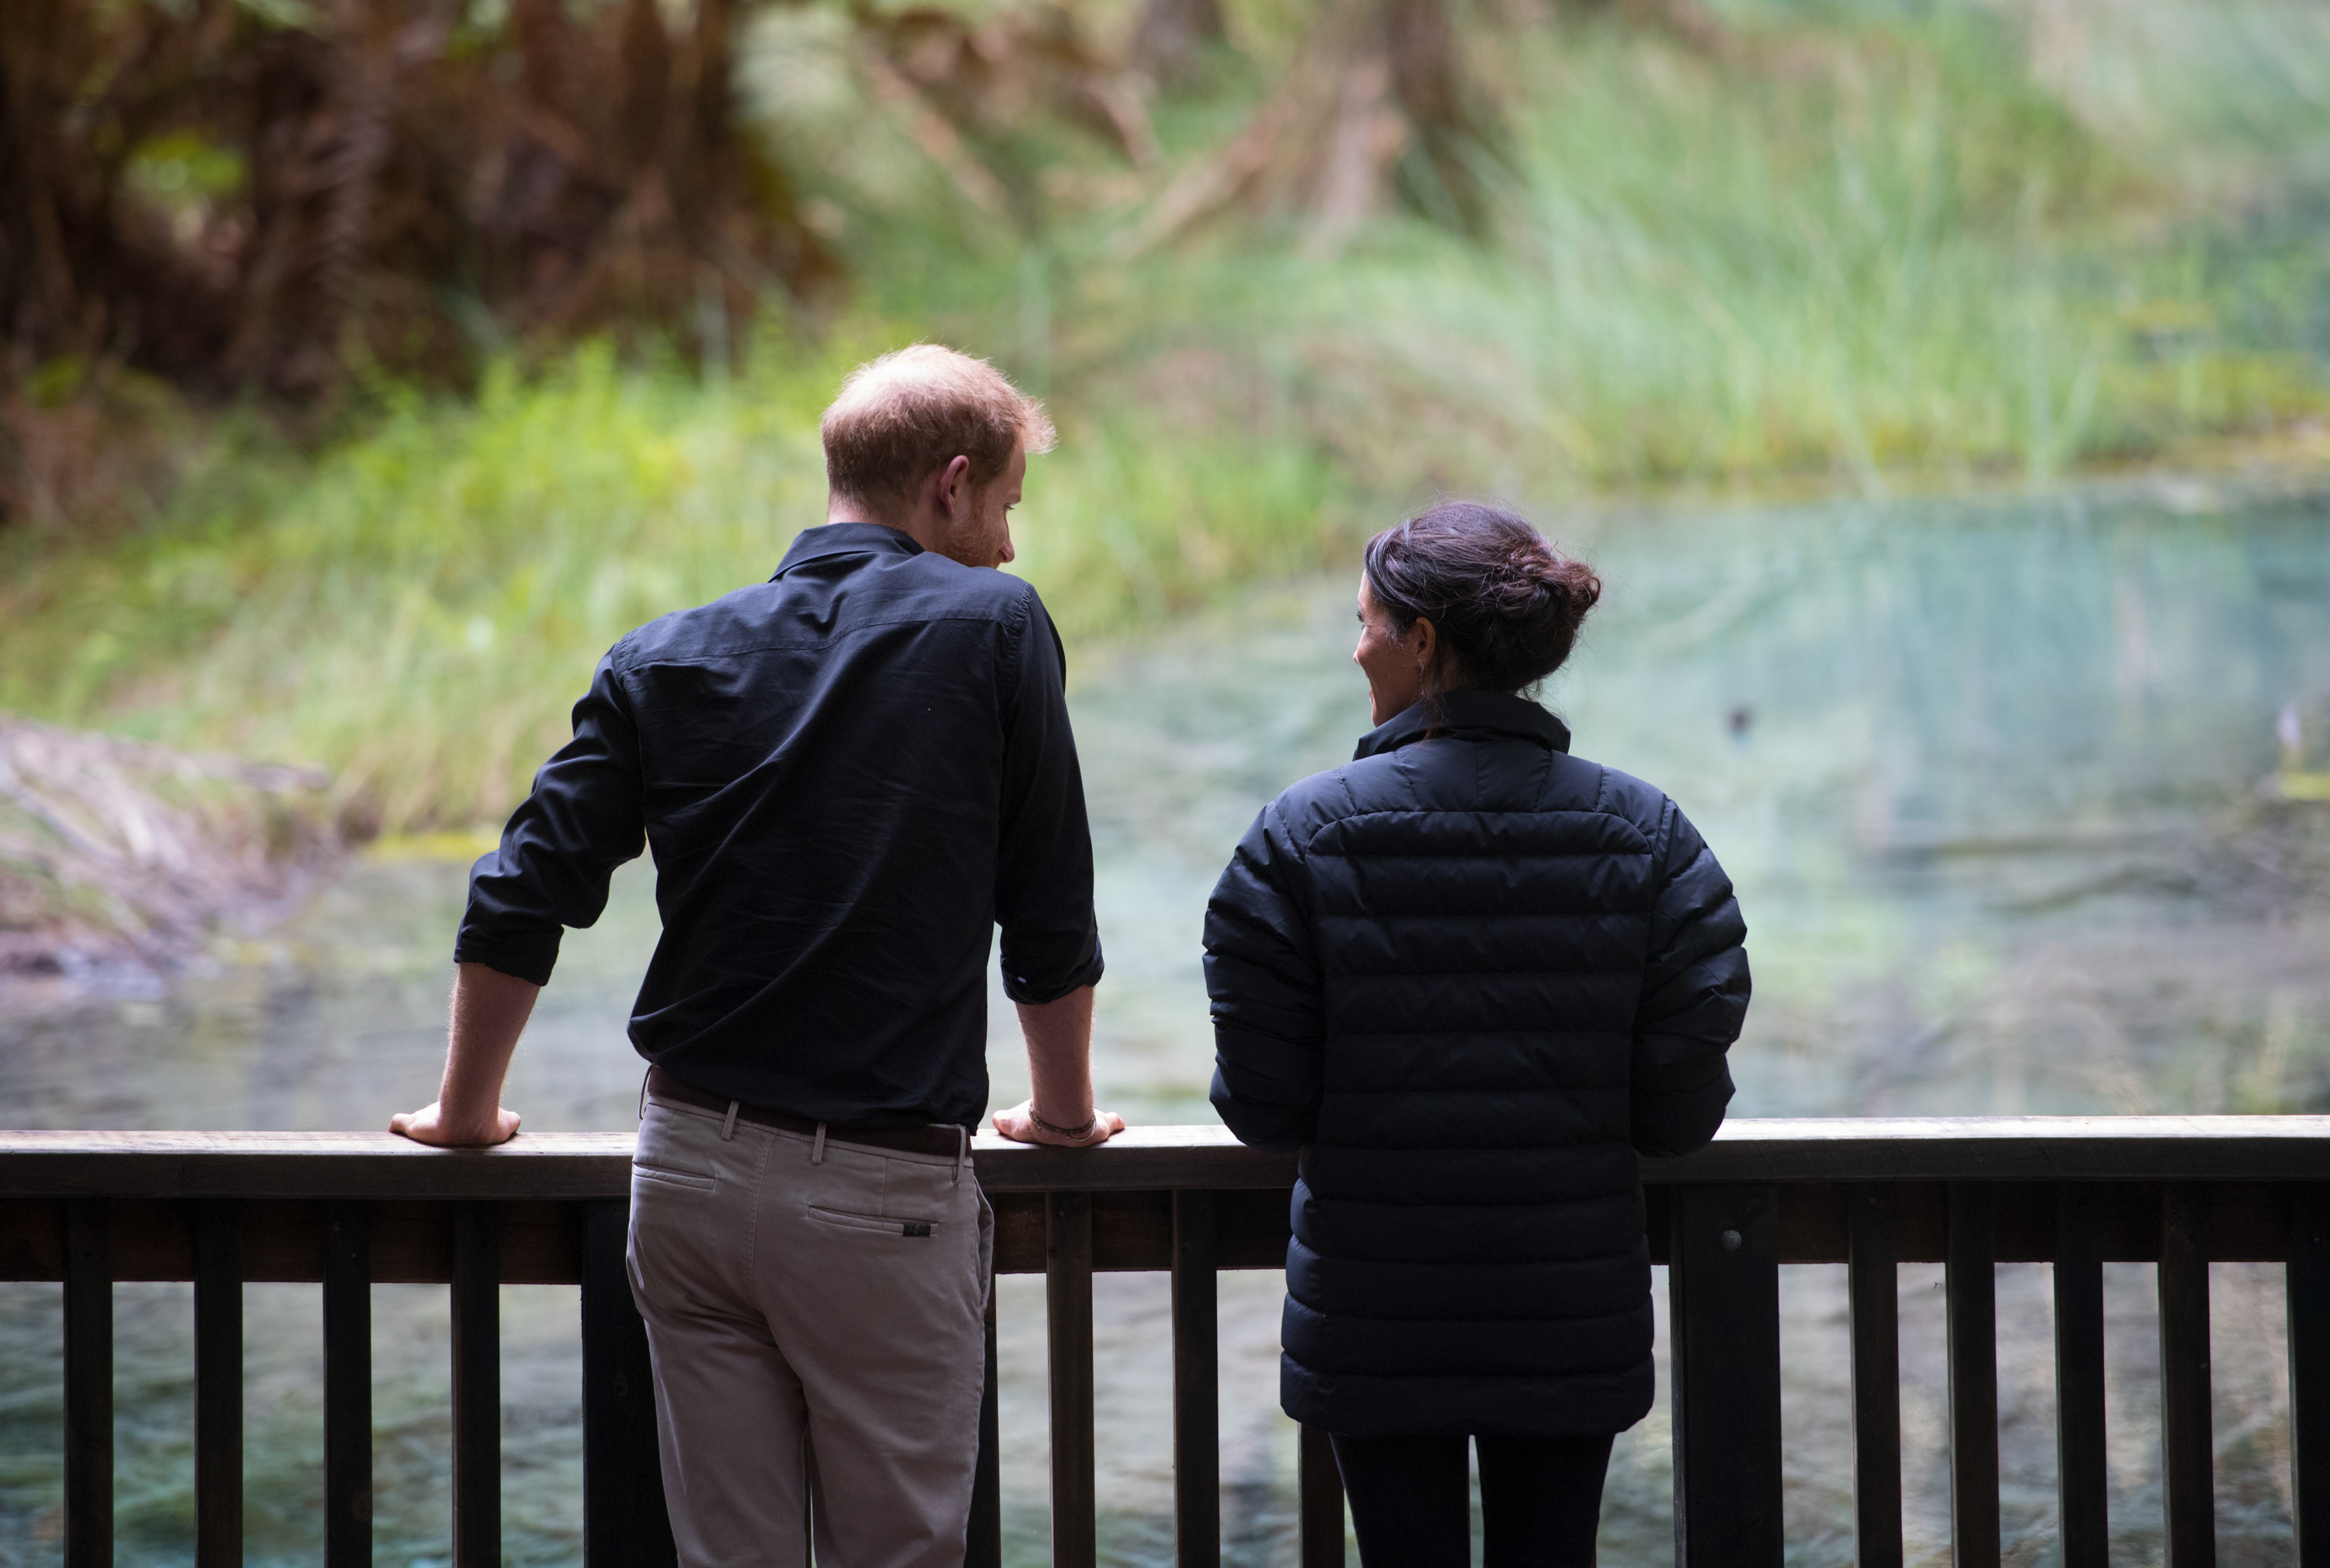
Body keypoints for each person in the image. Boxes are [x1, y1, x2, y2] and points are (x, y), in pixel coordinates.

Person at [389, 344, 1125, 1568]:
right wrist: (1062, 1114)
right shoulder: (998, 625)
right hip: (882, 1195)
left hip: (685, 1174)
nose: (1007, 544)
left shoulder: (664, 656)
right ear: (950, 486)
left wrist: (468, 1114)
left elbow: (523, 890)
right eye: (1003, 508)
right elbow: (1046, 908)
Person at [1203, 502, 1750, 1567]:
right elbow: (1680, 1108)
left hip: (1371, 1311)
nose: (1354, 644)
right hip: (1570, 1304)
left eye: (1365, 621)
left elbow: (1265, 1106)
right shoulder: (1651, 837)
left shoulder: (1300, 837)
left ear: (1424, 642)